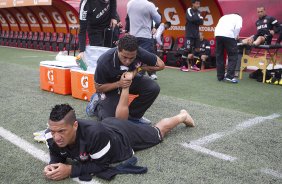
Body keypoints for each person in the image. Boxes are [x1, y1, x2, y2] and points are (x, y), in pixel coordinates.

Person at [43, 86, 195, 181]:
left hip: (121, 136)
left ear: (75, 125)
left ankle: (182, 116)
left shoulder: (95, 135)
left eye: (62, 131)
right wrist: (53, 165)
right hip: (106, 127)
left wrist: (70, 170)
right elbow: (57, 153)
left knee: (158, 133)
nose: (56, 136)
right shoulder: (51, 135)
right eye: (53, 130)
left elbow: (101, 165)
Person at [87, 35, 165, 123]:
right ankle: (96, 105)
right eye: (124, 57)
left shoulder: (139, 52)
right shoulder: (104, 61)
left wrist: (139, 68)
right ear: (118, 50)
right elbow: (98, 87)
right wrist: (119, 84)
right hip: (110, 86)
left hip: (130, 80)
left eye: (132, 58)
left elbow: (161, 65)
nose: (128, 61)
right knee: (111, 120)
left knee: (153, 88)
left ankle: (133, 116)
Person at [127, 0, 161, 80]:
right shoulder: (149, 5)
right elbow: (158, 19)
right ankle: (138, 78)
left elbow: (128, 18)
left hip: (133, 35)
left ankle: (133, 76)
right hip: (145, 36)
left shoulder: (129, 3)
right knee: (143, 59)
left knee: (133, 57)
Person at [214, 13, 243, 83]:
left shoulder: (224, 17)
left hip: (217, 34)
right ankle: (229, 76)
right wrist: (235, 36)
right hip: (229, 35)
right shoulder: (239, 17)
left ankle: (220, 76)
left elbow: (217, 26)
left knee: (219, 56)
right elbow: (238, 27)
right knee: (233, 55)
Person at [180, 0, 206, 72]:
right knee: (187, 49)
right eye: (197, 4)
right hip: (189, 34)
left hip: (196, 34)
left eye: (199, 4)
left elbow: (201, 22)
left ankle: (194, 65)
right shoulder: (189, 10)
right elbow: (190, 19)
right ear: (193, 4)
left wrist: (197, 19)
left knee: (197, 49)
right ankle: (183, 65)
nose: (198, 5)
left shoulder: (199, 12)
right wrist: (197, 18)